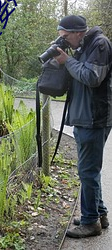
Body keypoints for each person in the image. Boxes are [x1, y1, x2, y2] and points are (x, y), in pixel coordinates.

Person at [54, 15, 112, 238]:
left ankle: (90, 223)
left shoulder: (100, 44)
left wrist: (67, 61)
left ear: (78, 32)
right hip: (84, 117)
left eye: (66, 37)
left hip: (94, 118)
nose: (65, 41)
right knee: (89, 171)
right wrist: (64, 60)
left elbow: (91, 77)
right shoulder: (83, 46)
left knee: (87, 171)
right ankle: (99, 214)